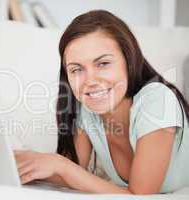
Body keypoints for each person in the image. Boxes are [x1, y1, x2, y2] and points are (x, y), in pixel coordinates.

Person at [14, 10, 189, 194]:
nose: (90, 81)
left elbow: (140, 196)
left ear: (129, 61)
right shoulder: (87, 110)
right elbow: (72, 172)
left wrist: (59, 164)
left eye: (103, 64)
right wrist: (25, 162)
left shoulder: (158, 100)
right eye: (76, 69)